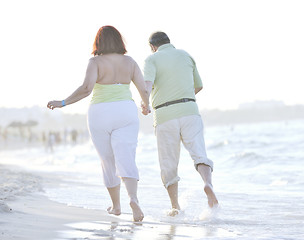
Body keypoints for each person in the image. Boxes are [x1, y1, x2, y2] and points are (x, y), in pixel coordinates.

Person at [47, 25, 150, 222]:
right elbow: (142, 89)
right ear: (120, 41)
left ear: (99, 42)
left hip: (100, 113)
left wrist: (62, 102)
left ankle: (116, 206)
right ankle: (133, 199)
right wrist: (146, 106)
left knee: (107, 160)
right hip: (126, 111)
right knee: (126, 156)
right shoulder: (130, 62)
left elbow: (86, 88)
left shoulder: (95, 62)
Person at [142, 31, 218, 216]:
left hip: (165, 114)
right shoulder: (186, 55)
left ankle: (175, 207)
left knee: (169, 163)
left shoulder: (152, 59)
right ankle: (207, 183)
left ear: (153, 46)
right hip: (190, 111)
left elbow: (147, 86)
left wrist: (145, 104)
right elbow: (198, 86)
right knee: (199, 153)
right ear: (169, 42)